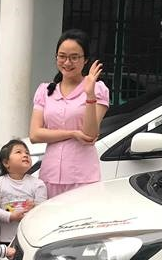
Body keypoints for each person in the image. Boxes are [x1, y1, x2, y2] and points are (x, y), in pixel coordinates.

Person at [29, 29, 109, 198]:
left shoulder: (98, 89)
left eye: (74, 57)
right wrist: (72, 133)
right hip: (50, 175)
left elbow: (90, 135)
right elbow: (35, 135)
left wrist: (90, 95)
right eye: (62, 56)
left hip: (83, 177)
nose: (67, 62)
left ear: (85, 60)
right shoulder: (45, 91)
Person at [0, 140, 48, 243]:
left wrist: (34, 208)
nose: (25, 155)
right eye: (18, 152)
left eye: (27, 153)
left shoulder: (38, 184)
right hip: (4, 239)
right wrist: (11, 216)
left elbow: (42, 211)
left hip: (29, 239)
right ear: (6, 163)